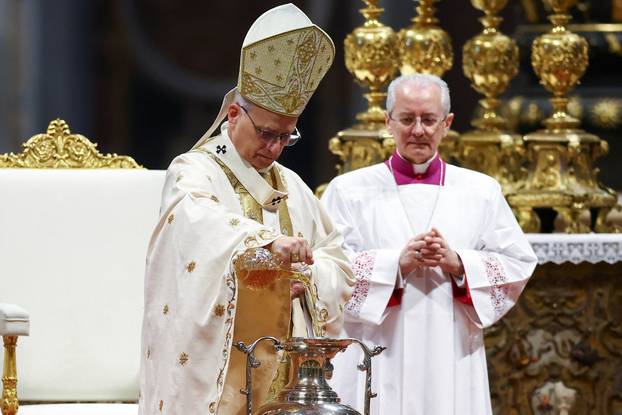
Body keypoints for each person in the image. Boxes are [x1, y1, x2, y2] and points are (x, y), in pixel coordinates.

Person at [138, 4, 354, 414]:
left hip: (282, 366)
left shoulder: (291, 186)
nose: (274, 148)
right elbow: (194, 222)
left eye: (286, 138)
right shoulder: (194, 170)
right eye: (267, 133)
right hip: (217, 369)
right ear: (234, 114)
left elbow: (338, 261)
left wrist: (306, 280)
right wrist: (267, 246)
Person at [321, 73, 538, 415]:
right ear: (387, 122)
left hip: (450, 346)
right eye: (407, 119)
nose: (418, 130)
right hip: (378, 346)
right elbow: (327, 268)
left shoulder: (480, 191)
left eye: (429, 119)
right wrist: (396, 264)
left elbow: (517, 262)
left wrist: (458, 264)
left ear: (447, 123)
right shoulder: (348, 190)